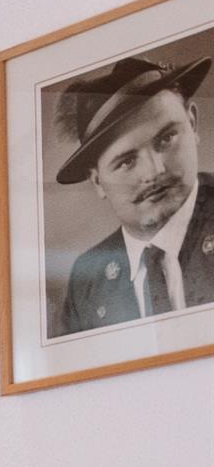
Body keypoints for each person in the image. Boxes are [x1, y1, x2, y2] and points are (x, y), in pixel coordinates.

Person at [50, 53, 212, 334]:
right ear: (97, 182)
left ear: (192, 123)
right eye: (126, 162)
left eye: (167, 139)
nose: (155, 170)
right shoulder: (87, 281)